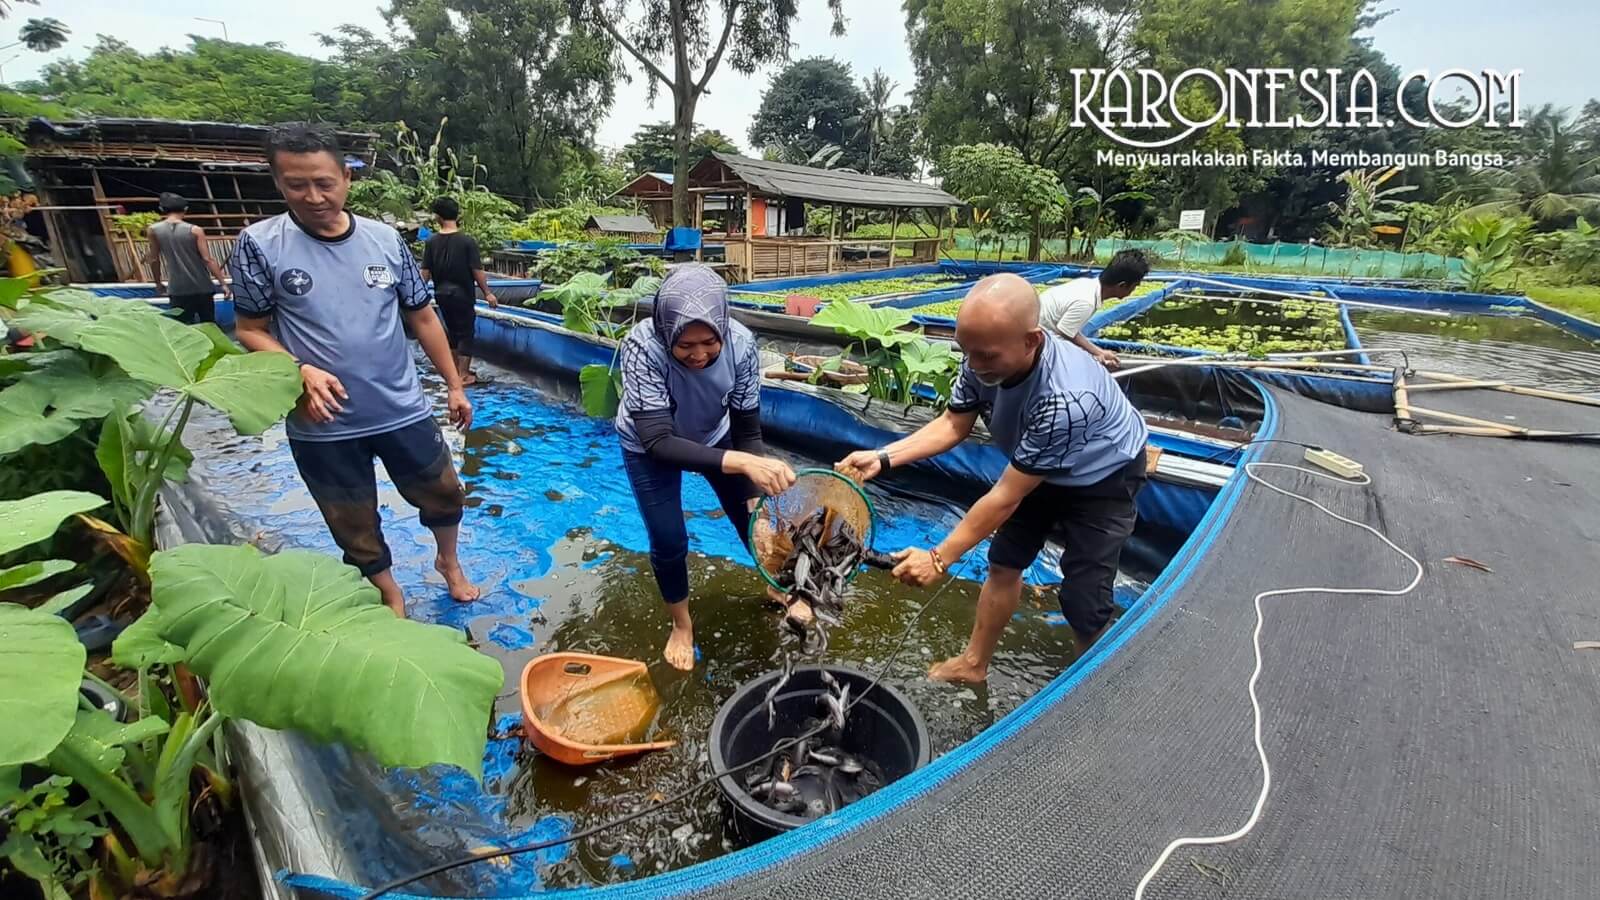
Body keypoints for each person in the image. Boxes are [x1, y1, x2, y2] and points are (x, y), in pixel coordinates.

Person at [836, 273, 1149, 684]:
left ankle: (1093, 690)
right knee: (1003, 562)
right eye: (968, 352)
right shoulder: (982, 358)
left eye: (986, 356)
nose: (975, 365)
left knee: (1083, 597)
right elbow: (952, 424)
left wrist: (938, 558)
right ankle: (974, 664)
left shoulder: (1065, 399)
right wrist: (883, 457)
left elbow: (1005, 496)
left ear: (1032, 340)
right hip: (1036, 462)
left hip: (1104, 476)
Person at [228, 122, 480, 618]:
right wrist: (298, 369)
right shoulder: (259, 245)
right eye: (297, 185)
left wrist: (454, 385)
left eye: (324, 182)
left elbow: (423, 315)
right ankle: (388, 590)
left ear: (346, 177)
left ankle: (448, 563)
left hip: (400, 405)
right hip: (322, 420)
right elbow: (250, 328)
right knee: (351, 518)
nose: (314, 196)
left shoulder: (385, 240)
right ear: (278, 182)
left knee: (445, 492)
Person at [616, 264, 798, 670]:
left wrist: (753, 489)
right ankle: (681, 625)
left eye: (708, 342)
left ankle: (776, 586)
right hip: (649, 444)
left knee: (756, 521)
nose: (699, 355)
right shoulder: (642, 346)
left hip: (715, 434)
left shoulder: (742, 345)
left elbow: (747, 430)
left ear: (722, 327)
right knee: (669, 538)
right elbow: (659, 441)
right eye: (686, 345)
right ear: (667, 332)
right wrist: (742, 461)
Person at [421, 197, 498, 385]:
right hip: (462, 294)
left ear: (438, 217)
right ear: (458, 215)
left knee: (452, 332)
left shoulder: (432, 242)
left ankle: (455, 371)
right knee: (466, 332)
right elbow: (476, 271)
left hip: (441, 294)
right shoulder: (467, 242)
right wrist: (487, 292)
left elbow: (425, 272)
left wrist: (419, 292)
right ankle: (464, 374)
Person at [1037, 248, 1151, 370]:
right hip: (1038, 344)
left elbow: (1068, 330)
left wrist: (1097, 351)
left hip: (1043, 334)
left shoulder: (1087, 285)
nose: (1133, 291)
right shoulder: (1087, 301)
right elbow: (1065, 331)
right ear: (1122, 285)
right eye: (1134, 287)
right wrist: (1098, 352)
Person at [146, 192, 231, 324]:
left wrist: (157, 282)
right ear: (185, 209)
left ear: (162, 209)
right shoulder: (195, 230)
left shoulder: (153, 230)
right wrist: (223, 284)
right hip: (202, 287)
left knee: (183, 328)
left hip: (178, 289)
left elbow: (154, 259)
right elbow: (208, 259)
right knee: (209, 326)